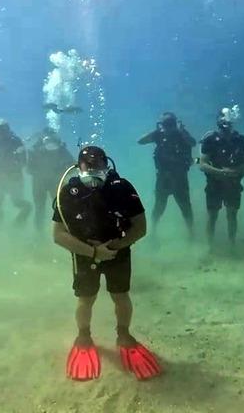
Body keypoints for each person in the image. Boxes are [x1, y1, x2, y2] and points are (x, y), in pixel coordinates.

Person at [52, 146, 161, 381]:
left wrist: (112, 249)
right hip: (84, 254)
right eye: (87, 165)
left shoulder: (121, 188)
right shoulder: (68, 192)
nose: (92, 170)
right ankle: (84, 335)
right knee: (86, 298)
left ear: (107, 165)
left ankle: (124, 334)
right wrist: (93, 252)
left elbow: (140, 227)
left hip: (117, 252)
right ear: (78, 167)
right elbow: (58, 234)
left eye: (98, 165)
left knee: (120, 295)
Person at [198, 108, 244, 252]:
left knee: (232, 214)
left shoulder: (240, 140)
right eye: (223, 122)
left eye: (228, 122)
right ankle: (209, 247)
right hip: (214, 183)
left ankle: (231, 244)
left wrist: (234, 172)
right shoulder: (210, 139)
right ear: (218, 122)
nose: (226, 125)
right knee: (213, 215)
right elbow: (202, 164)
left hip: (233, 183)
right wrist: (220, 172)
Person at [137, 112, 196, 239]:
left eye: (171, 124)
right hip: (164, 177)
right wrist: (157, 130)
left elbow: (193, 143)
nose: (168, 127)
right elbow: (140, 141)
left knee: (185, 206)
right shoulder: (159, 135)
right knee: (159, 206)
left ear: (175, 124)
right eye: (165, 124)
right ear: (161, 125)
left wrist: (182, 132)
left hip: (180, 177)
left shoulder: (181, 135)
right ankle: (153, 232)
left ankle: (191, 233)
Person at [0, 119, 32, 227]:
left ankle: (17, 224)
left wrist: (9, 172)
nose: (2, 133)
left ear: (8, 130)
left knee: (17, 202)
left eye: (4, 130)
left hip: (14, 178)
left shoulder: (16, 141)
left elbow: (23, 161)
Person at [27, 127, 75, 230]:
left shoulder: (61, 149)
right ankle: (40, 233)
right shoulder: (35, 150)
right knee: (40, 208)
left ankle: (63, 231)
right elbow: (29, 169)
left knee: (60, 207)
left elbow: (73, 166)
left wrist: (61, 170)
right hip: (40, 183)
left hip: (55, 183)